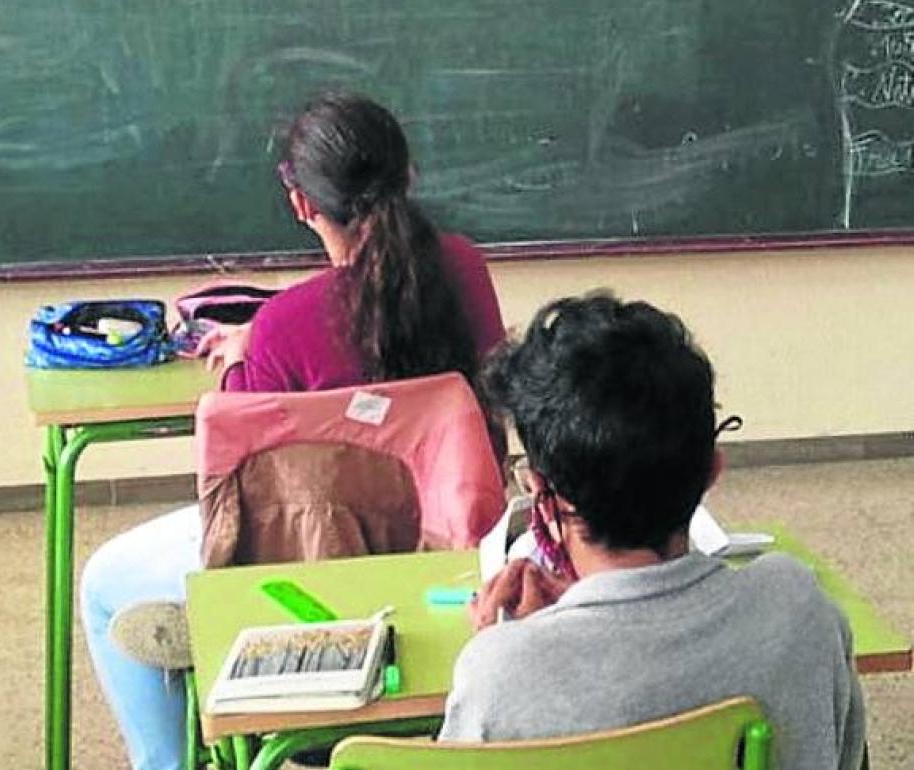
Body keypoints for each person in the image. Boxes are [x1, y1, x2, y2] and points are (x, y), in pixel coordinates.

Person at [81, 92, 505, 770]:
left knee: (103, 585)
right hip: (455, 553)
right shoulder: (464, 268)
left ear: (303, 204)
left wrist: (244, 354)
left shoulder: (286, 325)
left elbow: (235, 482)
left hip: (312, 572)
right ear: (410, 177)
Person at [440, 292, 866, 770]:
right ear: (711, 471)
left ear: (545, 494)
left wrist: (505, 641)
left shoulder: (499, 673)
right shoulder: (799, 607)